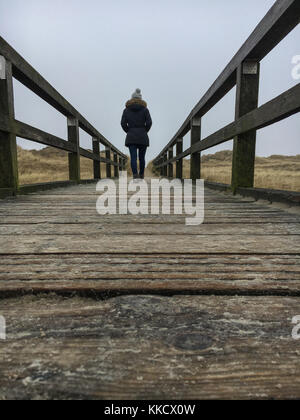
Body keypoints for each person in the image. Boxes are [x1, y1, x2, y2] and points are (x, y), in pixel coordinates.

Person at [121, 89, 152, 180]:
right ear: (140, 99)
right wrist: (144, 130)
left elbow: (123, 123)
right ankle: (141, 175)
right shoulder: (145, 110)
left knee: (133, 158)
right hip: (143, 136)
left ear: (131, 98)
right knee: (142, 158)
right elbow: (149, 123)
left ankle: (135, 175)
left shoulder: (126, 110)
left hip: (131, 136)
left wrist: (129, 131)